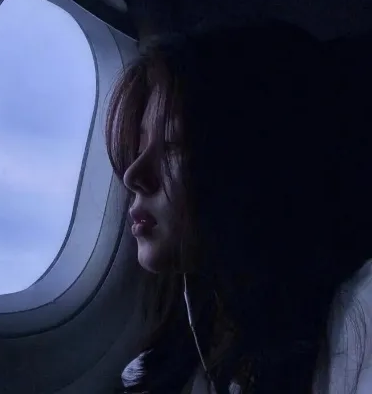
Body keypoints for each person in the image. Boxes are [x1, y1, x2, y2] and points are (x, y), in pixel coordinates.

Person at [105, 21, 372, 393]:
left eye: (173, 144)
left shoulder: (359, 317)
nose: (133, 175)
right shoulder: (177, 352)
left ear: (252, 161)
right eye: (138, 147)